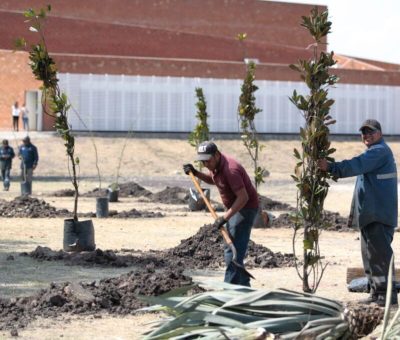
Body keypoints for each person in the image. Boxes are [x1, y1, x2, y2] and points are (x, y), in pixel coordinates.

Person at [317, 119, 398, 306]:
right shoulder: (373, 152)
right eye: (364, 133)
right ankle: (376, 294)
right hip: (371, 215)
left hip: (379, 215)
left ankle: (387, 298)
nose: (367, 135)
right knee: (370, 255)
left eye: (371, 132)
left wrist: (331, 167)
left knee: (380, 256)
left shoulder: (379, 152)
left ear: (380, 133)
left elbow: (356, 164)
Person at [183, 141, 259, 287]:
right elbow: (214, 180)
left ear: (217, 155)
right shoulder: (216, 166)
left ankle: (228, 288)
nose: (206, 164)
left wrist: (224, 217)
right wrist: (196, 172)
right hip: (234, 207)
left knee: (233, 250)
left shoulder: (231, 170)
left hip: (245, 208)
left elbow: (243, 198)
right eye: (202, 161)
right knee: (231, 247)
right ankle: (243, 286)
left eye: (208, 160)